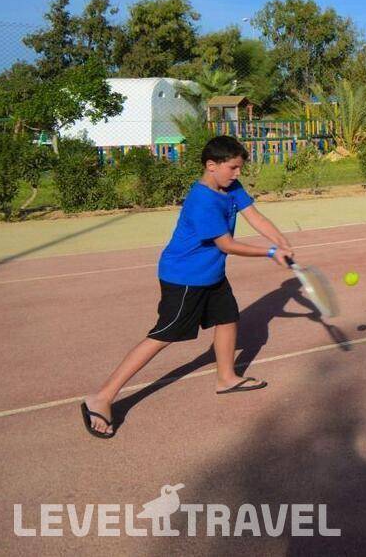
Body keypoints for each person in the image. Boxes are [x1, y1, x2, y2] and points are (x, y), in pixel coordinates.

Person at [80, 135, 296, 439]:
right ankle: (102, 397)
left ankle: (226, 378)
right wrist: (271, 252)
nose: (238, 173)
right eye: (233, 168)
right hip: (185, 278)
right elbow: (226, 244)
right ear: (211, 165)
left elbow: (255, 217)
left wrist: (282, 242)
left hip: (211, 274)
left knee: (227, 318)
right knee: (164, 335)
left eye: (239, 168)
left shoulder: (230, 187)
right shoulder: (202, 201)